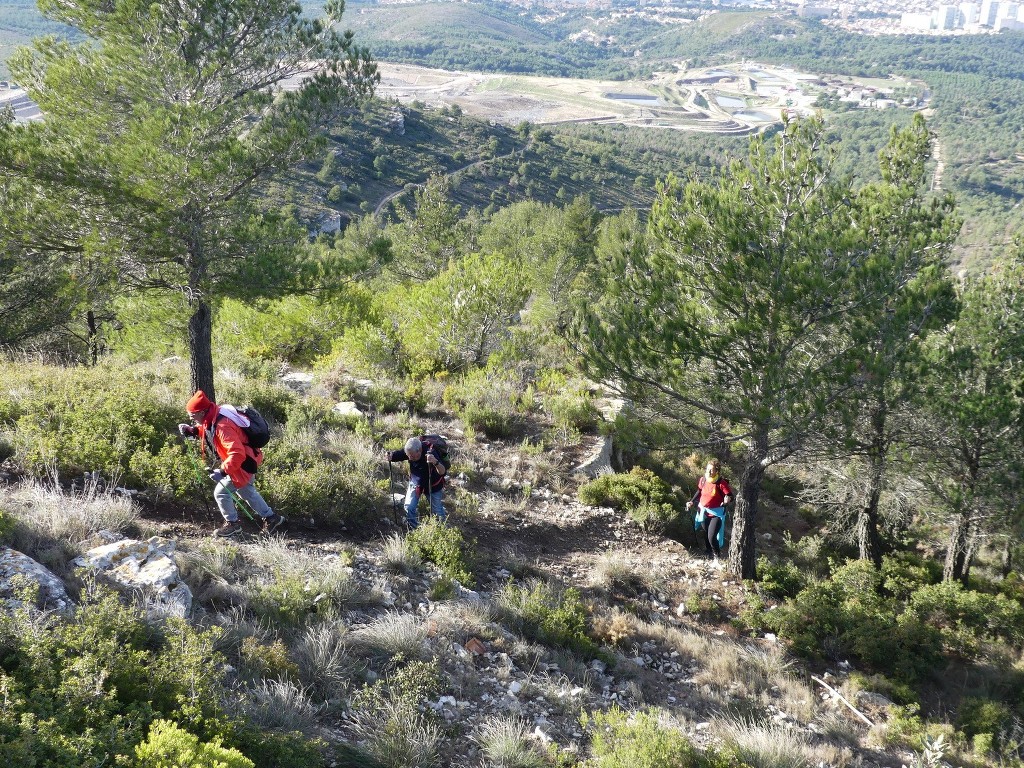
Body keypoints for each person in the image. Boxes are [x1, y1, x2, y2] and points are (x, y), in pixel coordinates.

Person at [178, 390, 285, 537]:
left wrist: (222, 472)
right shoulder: (216, 414)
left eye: (192, 415)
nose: (191, 418)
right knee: (247, 492)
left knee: (221, 493)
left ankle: (233, 525)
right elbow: (209, 428)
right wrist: (193, 431)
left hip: (243, 464)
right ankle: (272, 518)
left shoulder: (223, 425)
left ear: (202, 412)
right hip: (248, 459)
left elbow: (237, 453)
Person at [386, 436, 447, 529]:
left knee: (437, 511)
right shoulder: (411, 451)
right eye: (409, 456)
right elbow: (399, 455)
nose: (410, 458)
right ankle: (414, 529)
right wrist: (391, 456)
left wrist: (435, 462)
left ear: (420, 450)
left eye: (413, 456)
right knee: (409, 507)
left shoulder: (431, 452)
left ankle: (442, 532)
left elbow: (442, 472)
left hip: (433, 485)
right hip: (416, 483)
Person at [686, 459, 733, 561]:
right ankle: (708, 553)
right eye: (708, 469)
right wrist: (692, 501)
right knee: (706, 533)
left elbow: (730, 496)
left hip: (716, 514)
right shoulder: (703, 480)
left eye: (712, 470)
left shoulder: (721, 483)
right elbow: (699, 491)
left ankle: (717, 556)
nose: (709, 472)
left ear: (717, 471)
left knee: (711, 536)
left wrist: (727, 500)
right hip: (703, 511)